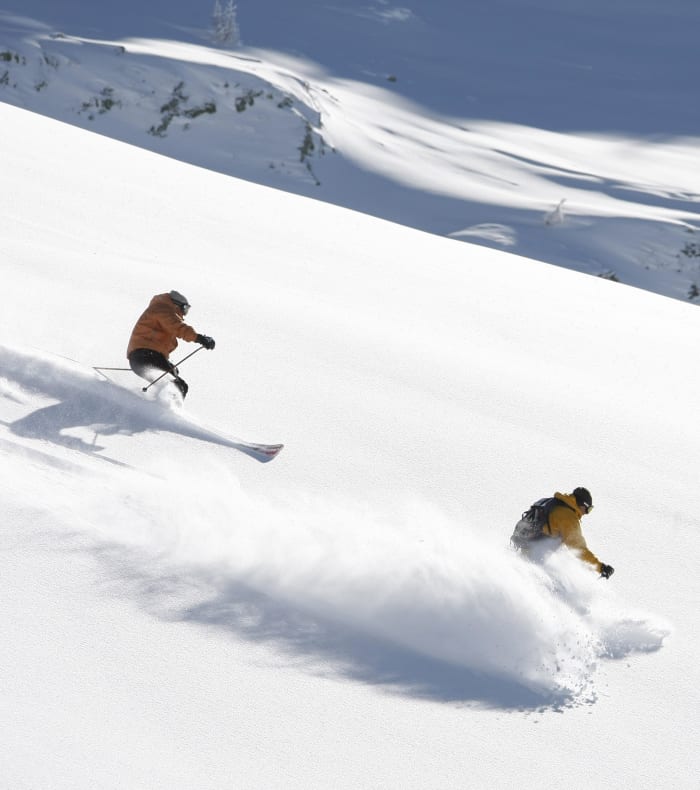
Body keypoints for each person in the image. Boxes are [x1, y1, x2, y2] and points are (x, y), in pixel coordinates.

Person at [126, 290, 215, 398]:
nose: (184, 313)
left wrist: (170, 366)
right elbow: (178, 327)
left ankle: (157, 405)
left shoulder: (160, 309)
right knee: (178, 386)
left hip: (141, 358)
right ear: (176, 304)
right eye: (185, 309)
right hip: (146, 355)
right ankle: (166, 410)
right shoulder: (163, 310)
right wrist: (199, 338)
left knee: (175, 383)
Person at [542, 487, 614, 578]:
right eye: (588, 509)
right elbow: (578, 549)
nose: (586, 513)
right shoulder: (568, 517)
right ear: (582, 505)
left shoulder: (555, 503)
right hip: (535, 553)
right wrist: (601, 567)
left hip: (529, 544)